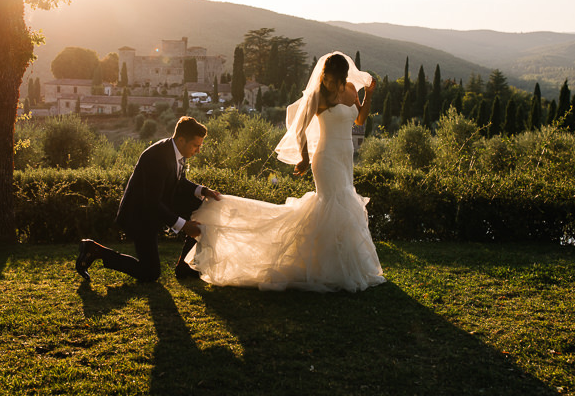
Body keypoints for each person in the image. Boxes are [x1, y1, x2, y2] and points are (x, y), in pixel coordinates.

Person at [186, 52, 386, 292]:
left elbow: (360, 121)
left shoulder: (352, 89)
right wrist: (303, 157)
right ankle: (330, 268)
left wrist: (369, 96)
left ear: (343, 77)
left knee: (344, 202)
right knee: (334, 203)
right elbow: (300, 128)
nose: (331, 84)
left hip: (345, 155)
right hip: (325, 157)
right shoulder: (318, 95)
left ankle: (340, 265)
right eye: (328, 79)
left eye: (335, 80)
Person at [76, 116, 222, 282]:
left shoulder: (175, 151)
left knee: (203, 208)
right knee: (150, 272)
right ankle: (95, 250)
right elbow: (152, 203)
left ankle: (184, 267)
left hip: (154, 207)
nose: (198, 150)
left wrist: (204, 191)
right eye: (196, 145)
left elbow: (178, 181)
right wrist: (184, 226)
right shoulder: (157, 158)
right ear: (181, 140)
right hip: (139, 216)